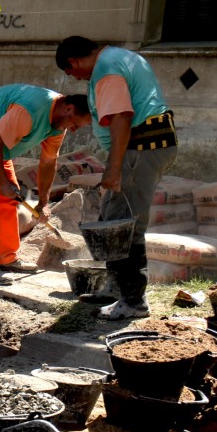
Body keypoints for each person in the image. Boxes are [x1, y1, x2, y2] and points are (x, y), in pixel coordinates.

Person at [56, 36, 176, 320]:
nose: (77, 78)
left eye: (71, 73)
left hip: (141, 148)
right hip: (144, 147)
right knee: (112, 215)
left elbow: (121, 117)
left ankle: (133, 301)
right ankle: (116, 286)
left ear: (73, 62)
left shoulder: (106, 70)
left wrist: (113, 168)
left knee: (123, 223)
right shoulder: (119, 57)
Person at [0, 85, 92, 283]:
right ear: (69, 109)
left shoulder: (59, 125)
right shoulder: (30, 110)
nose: (74, 130)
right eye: (76, 124)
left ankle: (6, 257)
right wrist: (2, 182)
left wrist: (43, 202)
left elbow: (49, 162)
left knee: (9, 200)